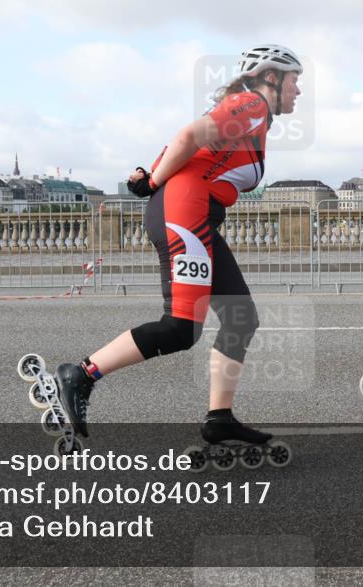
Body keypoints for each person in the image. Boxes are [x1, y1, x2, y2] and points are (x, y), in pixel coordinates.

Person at [52, 44, 303, 448]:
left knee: (240, 317)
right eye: (295, 80)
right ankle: (80, 374)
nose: (299, 90)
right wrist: (151, 182)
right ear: (271, 78)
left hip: (195, 214)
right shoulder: (253, 104)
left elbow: (189, 148)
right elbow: (188, 136)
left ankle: (220, 419)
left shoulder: (253, 116)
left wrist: (148, 175)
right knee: (181, 328)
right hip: (184, 212)